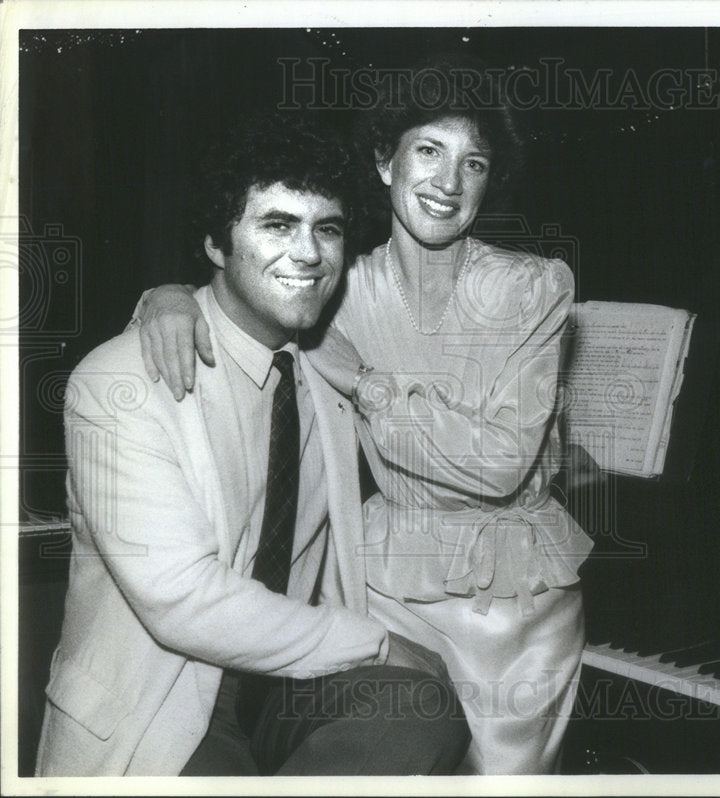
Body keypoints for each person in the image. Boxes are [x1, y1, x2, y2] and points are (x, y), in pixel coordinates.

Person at [136, 56, 594, 775]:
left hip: (513, 599)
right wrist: (163, 297)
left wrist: (369, 386)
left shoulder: (533, 288)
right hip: (381, 585)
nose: (449, 183)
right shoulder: (336, 285)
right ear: (385, 162)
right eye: (429, 151)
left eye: (473, 163)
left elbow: (502, 464)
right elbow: (236, 296)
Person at [35, 113, 470, 777]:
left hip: (283, 685)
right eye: (277, 225)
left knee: (422, 709)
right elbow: (181, 598)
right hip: (165, 698)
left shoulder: (323, 366)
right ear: (216, 244)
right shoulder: (118, 383)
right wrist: (377, 644)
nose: (309, 253)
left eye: (327, 229)